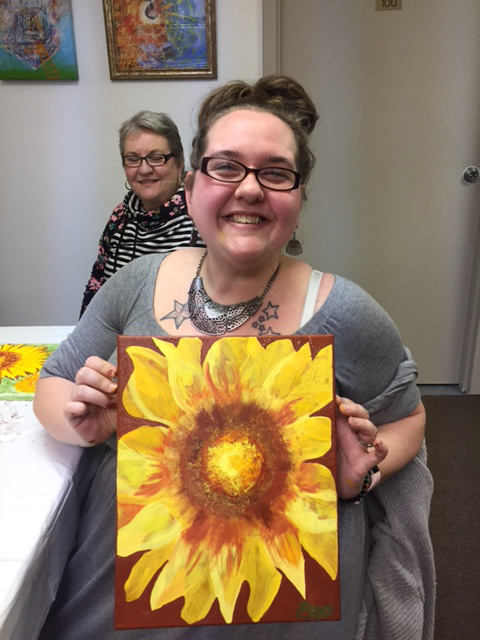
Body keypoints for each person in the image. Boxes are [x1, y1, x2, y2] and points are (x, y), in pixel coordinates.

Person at [34, 76, 435, 640]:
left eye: (276, 173)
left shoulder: (345, 312)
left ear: (299, 198)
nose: (249, 189)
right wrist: (82, 422)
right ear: (192, 185)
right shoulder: (135, 284)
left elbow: (408, 418)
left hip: (285, 598)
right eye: (226, 167)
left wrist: (360, 476)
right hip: (131, 581)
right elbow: (51, 384)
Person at [79, 110, 204, 318]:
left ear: (179, 162)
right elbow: (96, 289)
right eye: (133, 159)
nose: (144, 169)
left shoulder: (203, 216)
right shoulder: (119, 218)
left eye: (156, 158)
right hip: (119, 333)